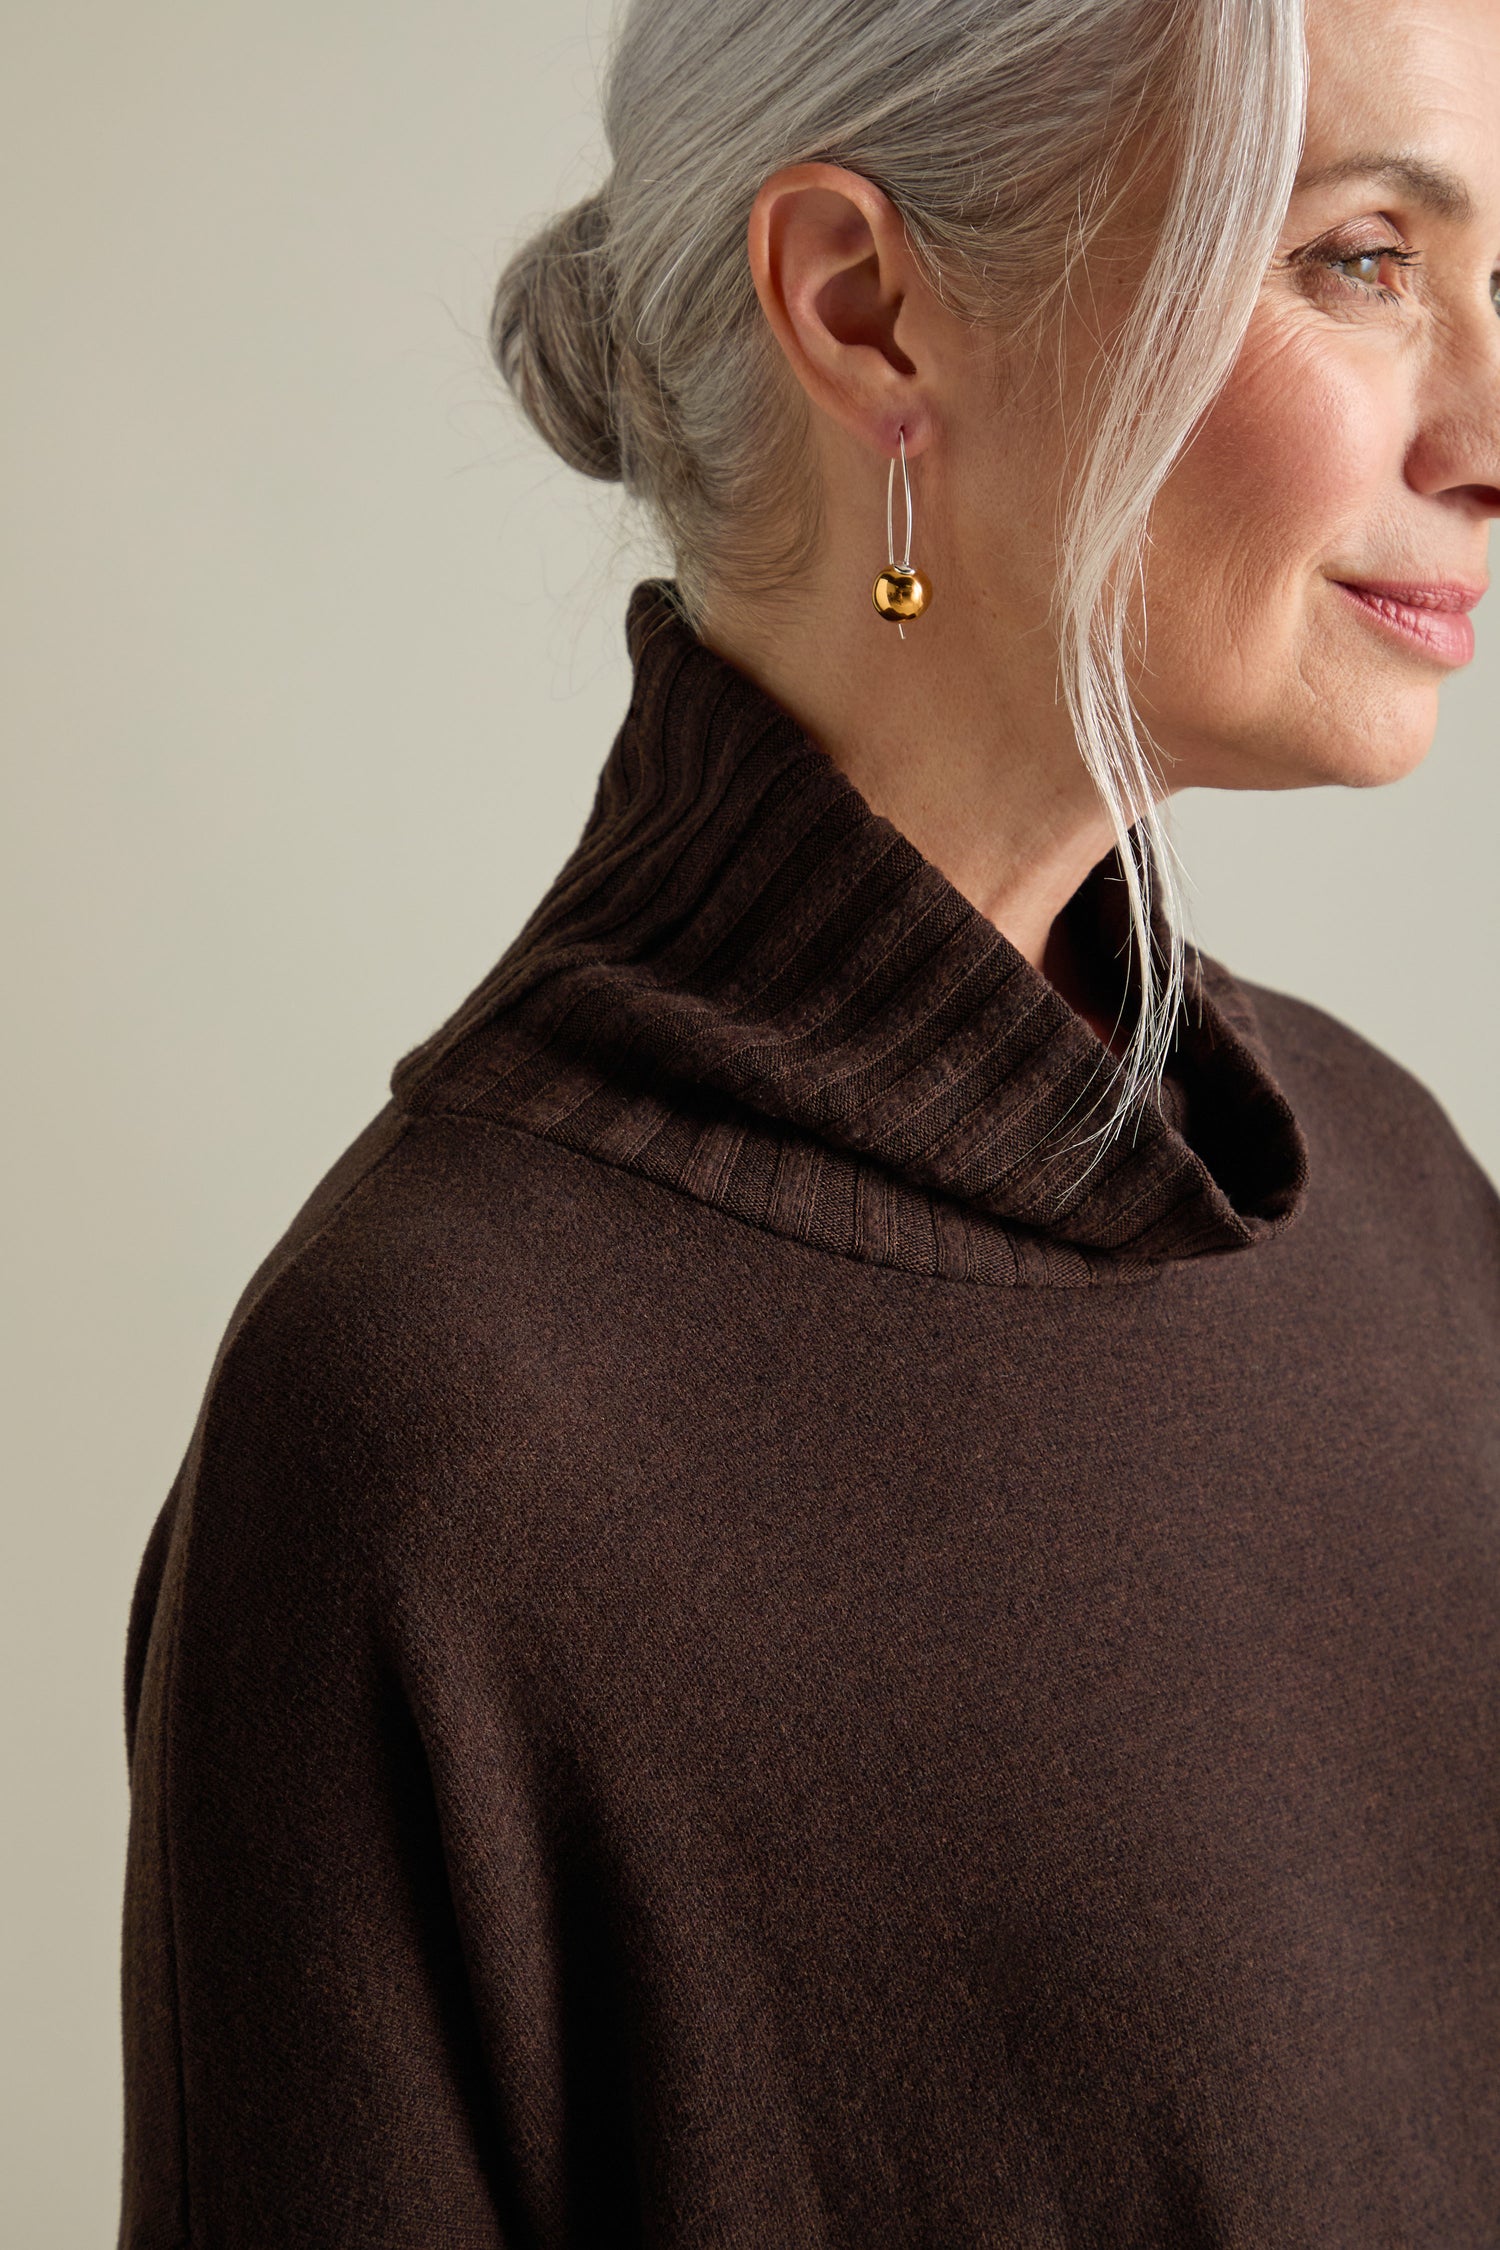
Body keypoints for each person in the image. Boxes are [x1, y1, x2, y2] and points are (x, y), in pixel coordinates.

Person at [118, 0, 1500, 2241]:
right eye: (1360, 255)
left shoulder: (1405, 1210)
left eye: (1490, 274)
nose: (1487, 428)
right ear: (868, 307)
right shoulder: (432, 1428)